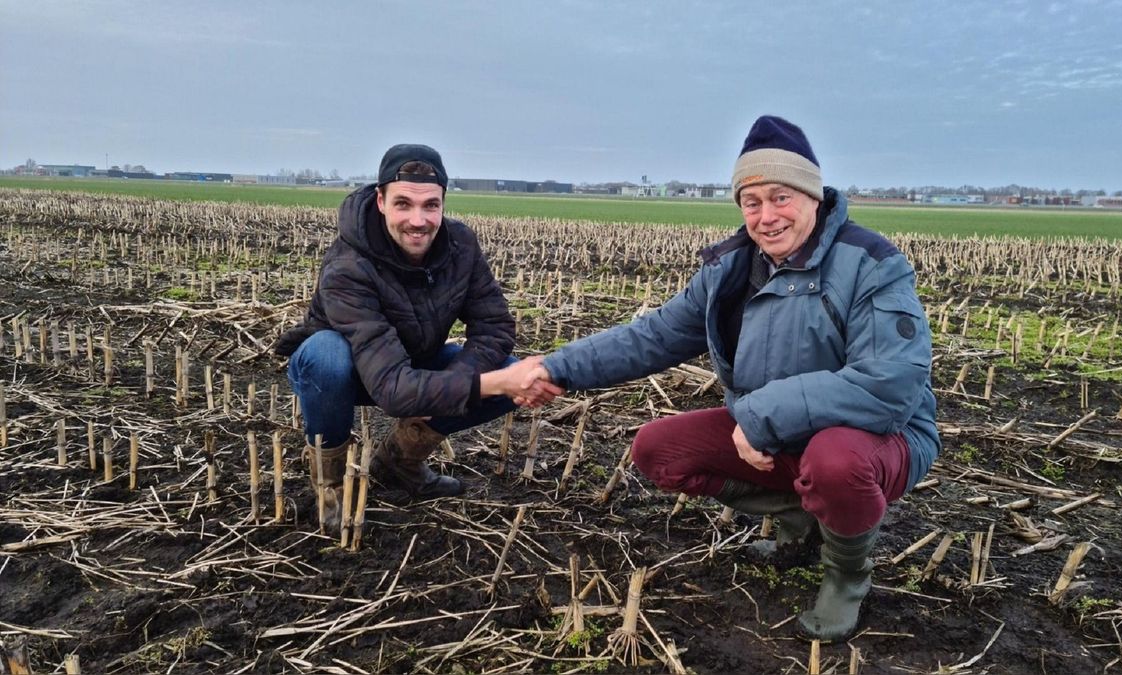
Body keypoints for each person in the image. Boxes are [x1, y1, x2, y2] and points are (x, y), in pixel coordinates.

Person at [523, 116, 939, 641]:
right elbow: (652, 337)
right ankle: (810, 523)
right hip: (780, 435)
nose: (766, 217)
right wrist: (556, 367)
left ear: (813, 196)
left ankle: (847, 575)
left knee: (835, 460)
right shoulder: (730, 270)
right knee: (658, 450)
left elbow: (890, 385)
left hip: (882, 439)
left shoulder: (872, 263)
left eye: (781, 197)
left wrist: (761, 417)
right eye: (751, 201)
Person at [275, 143, 559, 530]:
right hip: (348, 373)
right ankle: (331, 490)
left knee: (510, 372)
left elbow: (493, 326)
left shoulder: (460, 245)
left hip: (413, 363)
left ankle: (398, 462)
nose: (418, 220)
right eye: (403, 204)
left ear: (443, 202)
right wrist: (480, 385)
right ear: (380, 200)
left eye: (431, 205)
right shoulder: (347, 266)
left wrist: (459, 384)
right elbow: (394, 392)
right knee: (326, 355)